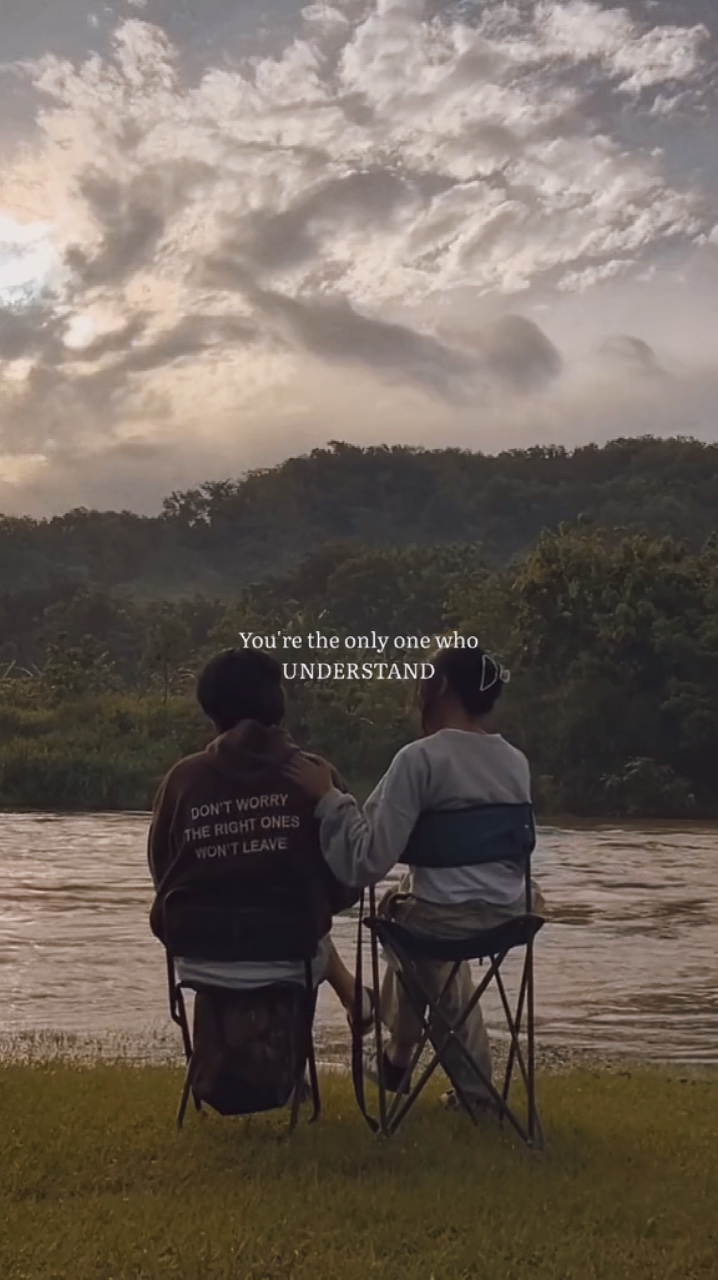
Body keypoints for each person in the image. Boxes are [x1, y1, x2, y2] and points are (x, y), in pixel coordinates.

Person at [285, 644, 546, 1113]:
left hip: (442, 923)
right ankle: (398, 1058)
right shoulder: (515, 761)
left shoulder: (419, 760)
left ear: (439, 686)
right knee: (419, 922)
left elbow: (366, 861)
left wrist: (328, 800)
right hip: (512, 914)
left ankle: (430, 1069)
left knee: (411, 930)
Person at [148, 648, 373, 1032]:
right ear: (276, 703)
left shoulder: (182, 780)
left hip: (199, 959)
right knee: (305, 925)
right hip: (292, 959)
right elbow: (347, 883)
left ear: (210, 708)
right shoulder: (316, 776)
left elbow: (163, 873)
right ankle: (348, 1003)